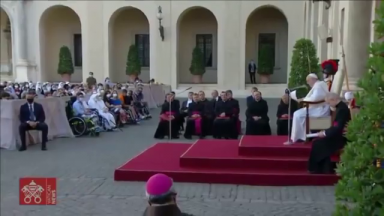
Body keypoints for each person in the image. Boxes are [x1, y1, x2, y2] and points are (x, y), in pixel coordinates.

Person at [308, 92, 351, 174]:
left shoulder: (342, 109)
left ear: (333, 99)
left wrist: (325, 133)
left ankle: (318, 168)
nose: (329, 105)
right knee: (317, 142)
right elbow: (336, 126)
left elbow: (338, 127)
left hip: (340, 137)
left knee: (318, 144)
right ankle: (323, 168)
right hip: (337, 134)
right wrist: (325, 132)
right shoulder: (340, 107)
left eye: (328, 102)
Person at [289, 73, 330, 144]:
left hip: (320, 109)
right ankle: (304, 136)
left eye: (308, 80)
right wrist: (304, 99)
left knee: (297, 114)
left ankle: (302, 137)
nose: (307, 83)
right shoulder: (318, 84)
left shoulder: (319, 86)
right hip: (317, 107)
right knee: (297, 114)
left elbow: (315, 98)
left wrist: (303, 100)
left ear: (313, 79)